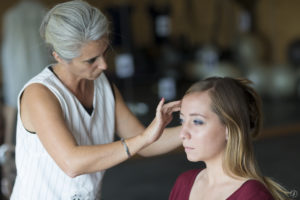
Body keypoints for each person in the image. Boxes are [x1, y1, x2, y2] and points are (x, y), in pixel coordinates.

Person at [10, 1, 181, 199]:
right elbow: (72, 163)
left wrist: (198, 126)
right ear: (59, 57)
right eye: (91, 60)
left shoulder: (104, 86)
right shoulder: (39, 94)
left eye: (105, 53)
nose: (104, 65)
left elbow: (148, 144)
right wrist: (142, 139)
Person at [169, 77, 296, 200]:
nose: (182, 134)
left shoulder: (253, 196)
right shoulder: (184, 182)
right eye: (182, 120)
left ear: (229, 129)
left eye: (197, 121)